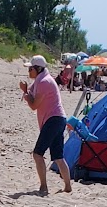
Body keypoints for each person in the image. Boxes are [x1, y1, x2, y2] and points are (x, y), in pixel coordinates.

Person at [19, 55, 72, 196]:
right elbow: (32, 93)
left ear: (38, 69)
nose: (29, 71)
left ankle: (43, 187)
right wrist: (27, 91)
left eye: (31, 69)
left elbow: (34, 105)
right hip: (58, 119)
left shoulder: (44, 82)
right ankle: (67, 186)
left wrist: (24, 92)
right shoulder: (41, 80)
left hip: (53, 119)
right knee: (58, 157)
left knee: (37, 154)